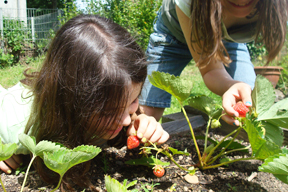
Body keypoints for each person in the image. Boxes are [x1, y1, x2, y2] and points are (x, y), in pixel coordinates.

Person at [0, 14, 169, 190]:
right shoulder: (16, 124)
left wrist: (143, 123)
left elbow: (128, 117)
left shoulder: (118, 115)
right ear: (73, 102)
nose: (126, 120)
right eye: (109, 111)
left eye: (133, 100)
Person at [139, 0, 288, 126]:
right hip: (172, 37)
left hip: (225, 40)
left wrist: (234, 86)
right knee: (144, 115)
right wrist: (229, 84)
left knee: (249, 103)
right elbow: (211, 70)